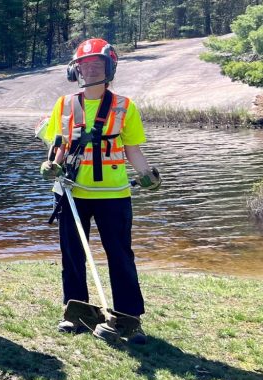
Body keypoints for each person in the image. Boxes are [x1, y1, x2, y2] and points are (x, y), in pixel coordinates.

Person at [39, 38, 161, 344]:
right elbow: (58, 145)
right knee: (72, 255)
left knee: (120, 255)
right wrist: (51, 165)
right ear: (75, 70)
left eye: (97, 66)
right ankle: (76, 312)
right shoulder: (64, 104)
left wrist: (146, 174)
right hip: (71, 192)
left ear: (110, 68)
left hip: (114, 194)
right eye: (85, 66)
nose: (91, 71)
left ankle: (128, 318)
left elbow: (131, 148)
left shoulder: (124, 106)